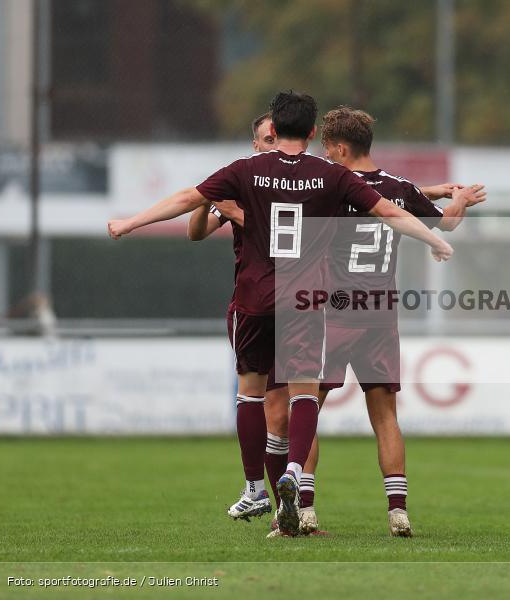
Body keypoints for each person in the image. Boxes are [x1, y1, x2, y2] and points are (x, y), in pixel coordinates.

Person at [108, 89, 453, 538]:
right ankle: (293, 471)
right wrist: (436, 239)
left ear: (274, 131)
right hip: (304, 301)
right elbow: (386, 205)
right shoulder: (329, 174)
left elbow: (185, 198)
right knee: (303, 396)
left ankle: (256, 486)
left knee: (252, 395)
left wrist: (130, 222)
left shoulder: (245, 172)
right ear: (311, 132)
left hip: (253, 297)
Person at [317, 106, 484, 536]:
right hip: (378, 315)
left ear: (339, 148)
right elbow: (442, 223)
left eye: (328, 149)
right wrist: (459, 199)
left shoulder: (329, 186)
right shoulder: (399, 188)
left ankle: (303, 507)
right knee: (386, 415)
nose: (326, 157)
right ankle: (398, 512)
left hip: (331, 311)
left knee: (305, 408)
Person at [185, 111, 299, 524]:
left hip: (295, 301)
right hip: (255, 303)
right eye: (268, 140)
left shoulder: (299, 185)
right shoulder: (246, 183)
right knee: (270, 404)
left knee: (283, 409)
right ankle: (270, 497)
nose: (274, 145)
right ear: (256, 145)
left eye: (278, 138)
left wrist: (234, 212)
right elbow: (195, 233)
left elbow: (282, 235)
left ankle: (284, 496)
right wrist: (205, 199)